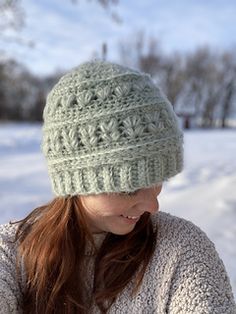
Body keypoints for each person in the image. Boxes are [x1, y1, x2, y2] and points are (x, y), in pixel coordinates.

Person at [0, 60, 235, 314]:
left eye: (157, 180)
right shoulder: (13, 253)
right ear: (76, 181)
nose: (153, 206)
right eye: (129, 188)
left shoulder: (181, 250)